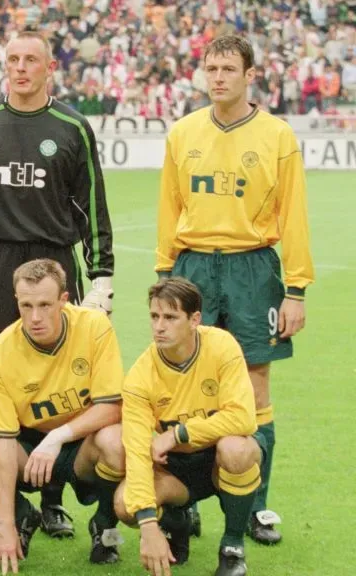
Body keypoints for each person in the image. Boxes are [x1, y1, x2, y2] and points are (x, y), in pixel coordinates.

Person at [0, 30, 115, 538]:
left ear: (49, 67)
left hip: (51, 259)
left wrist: (101, 276)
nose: (20, 68)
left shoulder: (72, 127)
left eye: (31, 60)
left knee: (59, 387)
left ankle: (53, 499)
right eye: (13, 59)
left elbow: (93, 204)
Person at [156, 34, 314, 545]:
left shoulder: (277, 135)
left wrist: (296, 289)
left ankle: (253, 507)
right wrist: (164, 275)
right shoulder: (183, 132)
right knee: (182, 384)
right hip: (194, 266)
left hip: (252, 268)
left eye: (228, 69)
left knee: (254, 386)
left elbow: (294, 215)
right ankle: (185, 501)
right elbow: (169, 207)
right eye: (211, 68)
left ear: (250, 75)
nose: (218, 78)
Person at [0, 259, 125, 574]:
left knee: (117, 441)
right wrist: (5, 524)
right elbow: (4, 442)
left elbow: (112, 408)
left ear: (64, 299)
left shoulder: (94, 327)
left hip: (81, 442)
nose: (35, 317)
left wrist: (58, 436)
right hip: (28, 448)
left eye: (45, 305)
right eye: (26, 305)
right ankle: (23, 515)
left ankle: (104, 524)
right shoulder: (0, 354)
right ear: (16, 301)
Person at [116, 278, 264, 576]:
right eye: (154, 316)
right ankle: (176, 523)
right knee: (125, 504)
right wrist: (148, 526)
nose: (159, 327)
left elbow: (243, 418)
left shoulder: (221, 345)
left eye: (170, 317)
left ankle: (232, 546)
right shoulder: (140, 377)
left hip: (219, 457)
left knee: (236, 448)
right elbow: (137, 452)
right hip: (177, 469)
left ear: (194, 319)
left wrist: (177, 434)